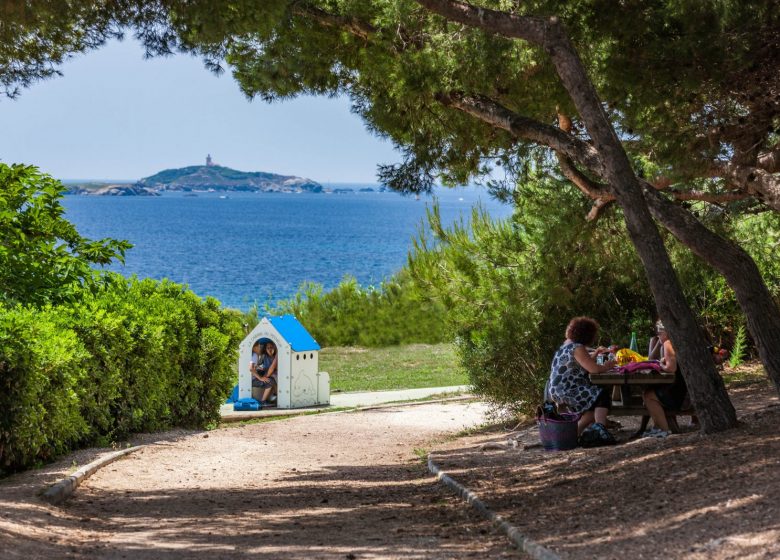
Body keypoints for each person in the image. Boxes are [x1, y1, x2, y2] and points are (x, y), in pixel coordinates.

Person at [547, 316, 617, 446]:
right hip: (568, 390)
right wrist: (608, 366)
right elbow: (594, 369)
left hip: (557, 390)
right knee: (602, 395)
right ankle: (600, 431)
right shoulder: (576, 347)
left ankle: (573, 435)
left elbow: (579, 363)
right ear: (587, 334)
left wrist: (595, 354)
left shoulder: (565, 346)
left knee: (593, 405)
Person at [642, 320, 689, 438]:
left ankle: (663, 429)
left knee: (648, 395)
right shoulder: (679, 341)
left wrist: (661, 366)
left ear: (666, 332)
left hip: (681, 395)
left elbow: (671, 368)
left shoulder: (668, 343)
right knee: (649, 391)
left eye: (659, 333)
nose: (658, 336)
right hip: (686, 389)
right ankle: (659, 426)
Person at [254, 340, 278, 406]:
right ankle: (266, 400)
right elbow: (258, 365)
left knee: (272, 378)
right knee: (270, 380)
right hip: (267, 375)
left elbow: (272, 369)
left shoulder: (276, 356)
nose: (270, 349)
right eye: (268, 348)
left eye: (271, 347)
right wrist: (260, 368)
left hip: (274, 375)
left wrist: (266, 376)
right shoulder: (264, 356)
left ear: (274, 348)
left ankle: (275, 397)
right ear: (265, 349)